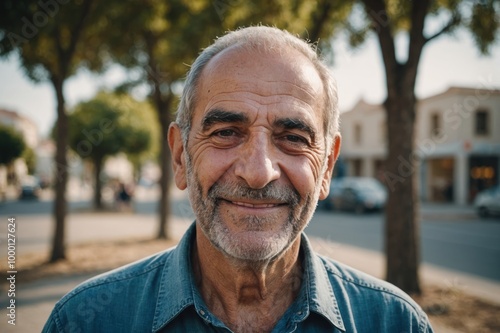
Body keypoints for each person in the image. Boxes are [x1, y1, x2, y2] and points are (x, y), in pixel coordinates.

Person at [43, 26, 434, 333]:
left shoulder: (395, 323)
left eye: (293, 139)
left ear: (327, 166)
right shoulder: (86, 321)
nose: (259, 172)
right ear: (180, 155)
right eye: (226, 132)